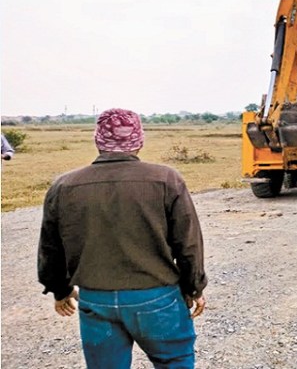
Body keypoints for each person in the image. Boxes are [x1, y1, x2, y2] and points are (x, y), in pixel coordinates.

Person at [37, 108, 207, 368]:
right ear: (139, 140)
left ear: (98, 140)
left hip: (96, 299)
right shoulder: (166, 180)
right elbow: (188, 244)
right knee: (175, 361)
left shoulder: (63, 186)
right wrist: (194, 288)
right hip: (157, 297)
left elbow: (51, 248)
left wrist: (60, 290)